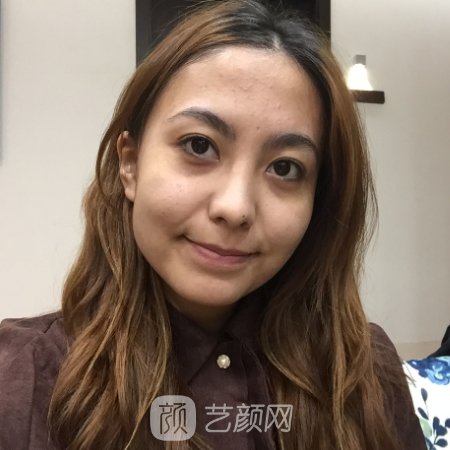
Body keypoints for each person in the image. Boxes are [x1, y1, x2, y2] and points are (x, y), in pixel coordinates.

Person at [0, 1, 426, 449]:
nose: (235, 207)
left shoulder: (365, 371)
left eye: (284, 168)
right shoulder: (22, 377)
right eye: (199, 145)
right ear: (130, 163)